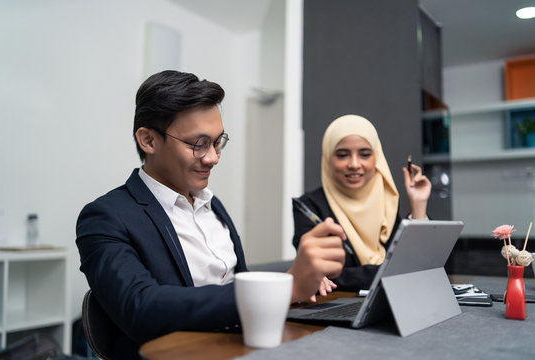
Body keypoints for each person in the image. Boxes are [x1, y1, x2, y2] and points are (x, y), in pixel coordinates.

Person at [76, 70, 346, 360]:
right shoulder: (105, 217)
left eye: (218, 142)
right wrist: (286, 288)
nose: (213, 157)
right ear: (148, 141)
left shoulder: (212, 204)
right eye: (198, 144)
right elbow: (142, 307)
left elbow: (231, 286)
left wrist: (300, 280)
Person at [292, 114, 431, 291]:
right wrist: (395, 272)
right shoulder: (308, 207)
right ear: (328, 158)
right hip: (336, 308)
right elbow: (315, 273)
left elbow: (416, 263)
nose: (354, 164)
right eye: (342, 155)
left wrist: (418, 206)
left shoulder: (386, 203)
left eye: (365, 154)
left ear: (377, 159)